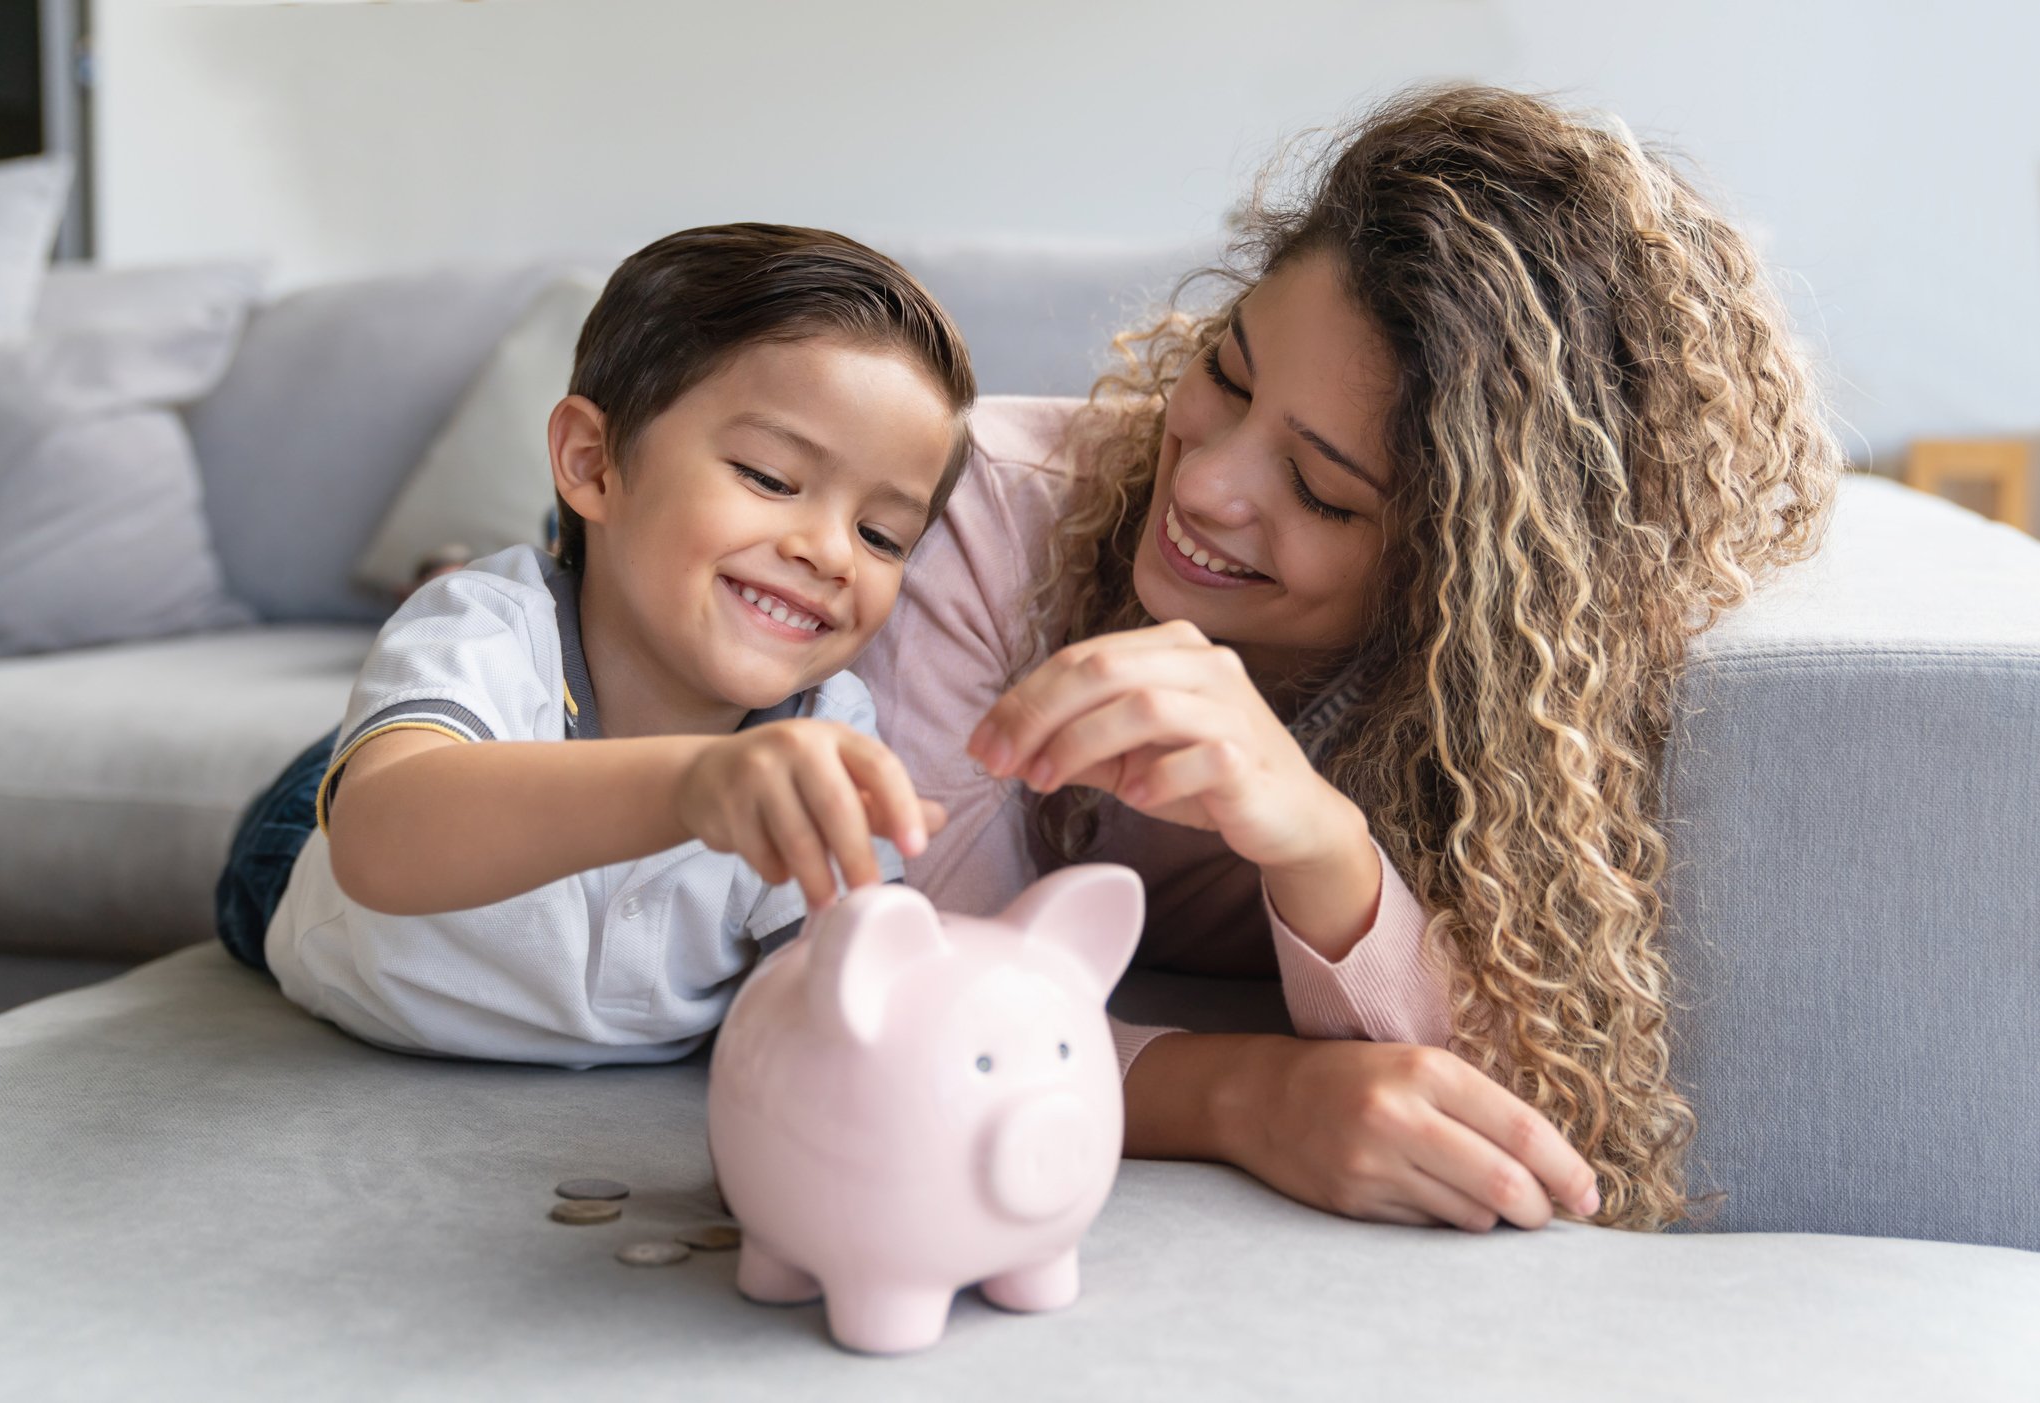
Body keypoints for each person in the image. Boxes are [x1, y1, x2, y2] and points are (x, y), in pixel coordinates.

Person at [853, 85, 1841, 1233]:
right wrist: (1246, 1094)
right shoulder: (974, 523)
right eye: (1225, 373)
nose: (1209, 482)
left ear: (1458, 571)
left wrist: (1318, 840)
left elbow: (1538, 1093)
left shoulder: (1527, 692)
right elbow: (917, 1001)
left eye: (1321, 491)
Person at [214, 223, 976, 1067]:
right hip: (315, 851)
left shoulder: (828, 730)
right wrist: (692, 787)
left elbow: (838, 998)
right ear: (592, 461)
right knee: (410, 697)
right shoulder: (491, 629)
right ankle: (446, 611)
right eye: (767, 478)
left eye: (880, 535)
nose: (829, 552)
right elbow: (376, 840)